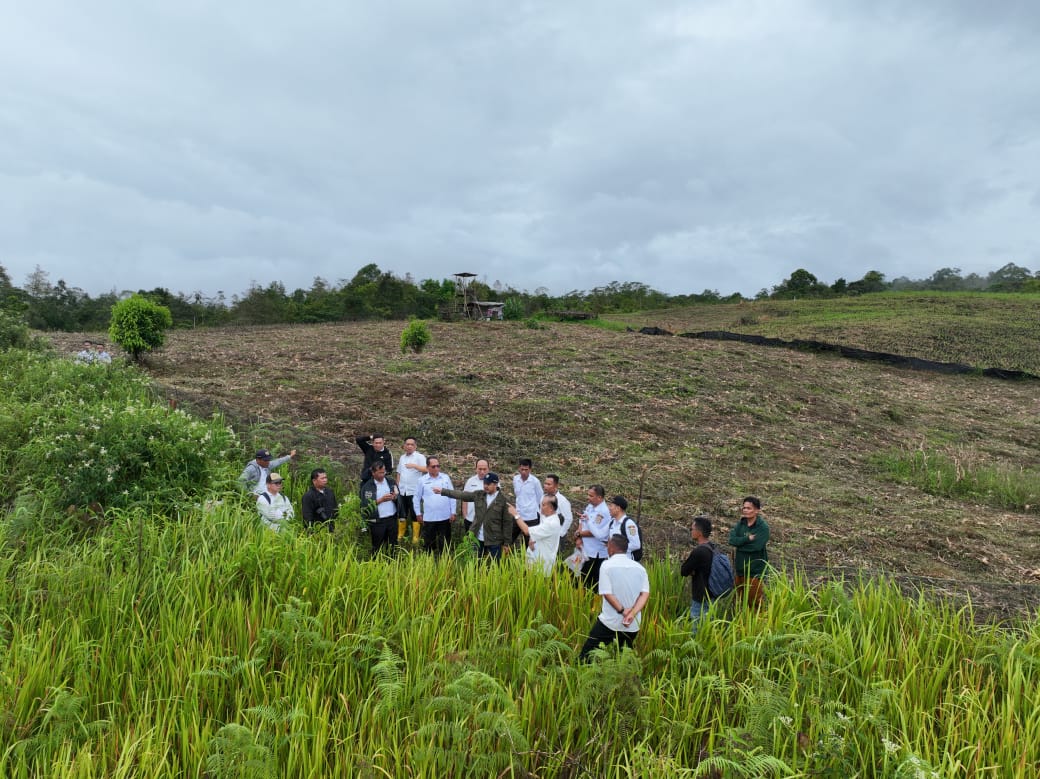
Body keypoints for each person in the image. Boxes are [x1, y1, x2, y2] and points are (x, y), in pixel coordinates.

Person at [579, 534, 650, 662]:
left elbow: (607, 593)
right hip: (632, 624)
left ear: (611, 548)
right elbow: (644, 594)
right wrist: (632, 613)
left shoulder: (607, 565)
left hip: (610, 622)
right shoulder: (640, 568)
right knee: (623, 659)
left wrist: (623, 612)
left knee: (586, 656)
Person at [435, 472, 514, 561]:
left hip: (494, 540)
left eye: (488, 484)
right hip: (477, 538)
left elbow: (507, 523)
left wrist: (507, 543)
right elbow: (462, 495)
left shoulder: (503, 500)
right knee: (475, 564)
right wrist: (443, 491)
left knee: (495, 565)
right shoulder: (479, 495)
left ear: (495, 484)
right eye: (484, 483)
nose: (485, 486)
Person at [728, 496, 770, 607]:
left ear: (757, 510)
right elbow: (731, 540)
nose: (745, 510)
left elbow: (756, 547)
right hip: (739, 570)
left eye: (749, 508)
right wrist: (746, 539)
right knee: (738, 602)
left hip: (754, 572)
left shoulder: (763, 527)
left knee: (755, 604)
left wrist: (739, 544)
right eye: (744, 508)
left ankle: (759, 623)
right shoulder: (740, 524)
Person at [511, 495, 566, 575]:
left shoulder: (551, 523)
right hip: (535, 562)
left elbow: (526, 531)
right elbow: (538, 533)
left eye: (543, 505)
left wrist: (516, 515)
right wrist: (532, 539)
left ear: (550, 508)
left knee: (536, 586)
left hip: (541, 567)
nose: (541, 506)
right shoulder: (547, 519)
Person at [413, 456, 455, 556]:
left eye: (438, 466)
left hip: (445, 517)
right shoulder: (422, 480)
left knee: (444, 543)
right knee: (428, 544)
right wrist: (418, 513)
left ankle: (444, 563)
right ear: (427, 468)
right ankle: (429, 563)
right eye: (433, 466)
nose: (436, 468)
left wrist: (453, 512)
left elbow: (452, 495)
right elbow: (416, 498)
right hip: (429, 518)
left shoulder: (445, 478)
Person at [680, 515, 715, 634]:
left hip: (700, 593)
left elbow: (684, 571)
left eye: (692, 529)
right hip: (712, 592)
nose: (691, 531)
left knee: (696, 625)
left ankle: (694, 651)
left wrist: (692, 571)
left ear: (699, 532)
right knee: (707, 624)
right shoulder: (712, 547)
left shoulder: (699, 551)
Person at [574, 485, 612, 587]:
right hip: (583, 547)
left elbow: (594, 532)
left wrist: (578, 533)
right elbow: (582, 519)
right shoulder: (590, 506)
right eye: (588, 495)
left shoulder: (603, 512)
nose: (588, 497)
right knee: (576, 576)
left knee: (589, 581)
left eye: (591, 496)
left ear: (599, 497)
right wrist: (579, 538)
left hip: (594, 552)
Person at [360, 461, 400, 555]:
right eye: (380, 472)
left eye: (384, 472)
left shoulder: (390, 481)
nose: (383, 474)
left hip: (392, 519)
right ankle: (377, 565)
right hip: (377, 521)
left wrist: (395, 497)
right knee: (377, 547)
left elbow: (397, 495)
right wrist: (381, 500)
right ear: (373, 473)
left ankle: (392, 564)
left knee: (393, 545)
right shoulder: (368, 486)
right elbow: (366, 506)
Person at [396, 436, 428, 542]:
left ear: (415, 446)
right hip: (402, 490)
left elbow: (426, 469)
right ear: (404, 446)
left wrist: (415, 466)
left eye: (412, 444)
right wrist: (397, 486)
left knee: (415, 514)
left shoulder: (419, 457)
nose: (409, 446)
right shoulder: (402, 458)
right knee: (402, 513)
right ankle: (400, 535)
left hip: (414, 491)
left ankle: (415, 537)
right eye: (407, 444)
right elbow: (399, 473)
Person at [301, 468, 338, 533]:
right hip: (317, 530)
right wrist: (311, 531)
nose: (325, 480)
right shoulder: (308, 496)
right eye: (322, 478)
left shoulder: (330, 492)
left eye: (325, 478)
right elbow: (307, 517)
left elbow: (335, 509)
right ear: (314, 481)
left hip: (332, 528)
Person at [606, 495, 642, 561]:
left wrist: (617, 550)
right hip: (612, 562)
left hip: (626, 563)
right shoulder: (612, 523)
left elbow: (636, 544)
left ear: (618, 508)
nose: (609, 508)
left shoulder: (629, 524)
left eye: (611, 506)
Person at [460, 459, 490, 533]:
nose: (482, 472)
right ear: (476, 469)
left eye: (484, 469)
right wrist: (465, 516)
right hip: (471, 520)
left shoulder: (494, 482)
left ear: (488, 469)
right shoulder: (470, 481)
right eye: (480, 469)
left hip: (487, 521)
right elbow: (464, 498)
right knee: (471, 543)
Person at [512, 458, 543, 525]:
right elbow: (517, 494)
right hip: (518, 514)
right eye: (522, 469)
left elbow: (540, 498)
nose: (524, 472)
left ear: (530, 470)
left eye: (526, 470)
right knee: (511, 535)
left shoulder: (535, 482)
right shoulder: (515, 479)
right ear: (519, 468)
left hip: (531, 516)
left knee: (530, 535)